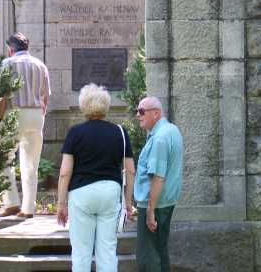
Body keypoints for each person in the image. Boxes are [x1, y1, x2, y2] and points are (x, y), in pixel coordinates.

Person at [57, 84, 135, 272]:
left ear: (83, 106)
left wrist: (61, 203)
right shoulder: (120, 132)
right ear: (106, 106)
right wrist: (128, 201)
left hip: (81, 193)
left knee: (81, 252)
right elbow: (130, 170)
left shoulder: (75, 132)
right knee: (107, 250)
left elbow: (65, 172)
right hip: (110, 191)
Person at [0, 32, 51, 218]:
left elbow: (3, 94)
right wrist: (40, 113)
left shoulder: (8, 63)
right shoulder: (40, 65)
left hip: (15, 112)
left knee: (2, 158)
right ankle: (28, 208)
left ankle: (11, 202)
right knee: (31, 164)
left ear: (11, 49)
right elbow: (46, 95)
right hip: (37, 115)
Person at [134, 97, 183, 272]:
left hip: (155, 204)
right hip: (166, 202)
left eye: (141, 111)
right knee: (160, 252)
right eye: (137, 111)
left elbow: (158, 177)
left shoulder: (160, 138)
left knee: (148, 258)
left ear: (156, 113)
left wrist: (150, 210)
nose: (137, 115)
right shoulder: (171, 130)